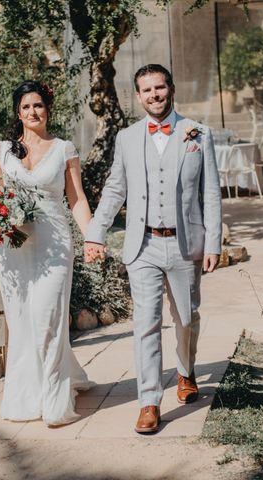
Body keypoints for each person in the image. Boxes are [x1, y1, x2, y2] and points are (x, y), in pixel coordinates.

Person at [84, 64, 222, 434]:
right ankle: (149, 401)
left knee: (187, 319)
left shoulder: (198, 133)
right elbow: (115, 189)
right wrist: (95, 232)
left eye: (159, 88)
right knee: (145, 324)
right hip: (141, 245)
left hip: (184, 244)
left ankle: (185, 370)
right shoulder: (127, 138)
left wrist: (213, 242)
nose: (154, 95)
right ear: (139, 95)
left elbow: (210, 192)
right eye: (147, 90)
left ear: (171, 89)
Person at [0, 80, 94, 427]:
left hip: (54, 244)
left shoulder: (64, 149)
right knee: (22, 322)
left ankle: (55, 401)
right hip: (13, 247)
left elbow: (76, 199)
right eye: (26, 107)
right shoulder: (3, 150)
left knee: (47, 318)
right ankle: (26, 395)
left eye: (38, 106)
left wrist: (93, 238)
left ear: (47, 108)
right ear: (17, 113)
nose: (33, 112)